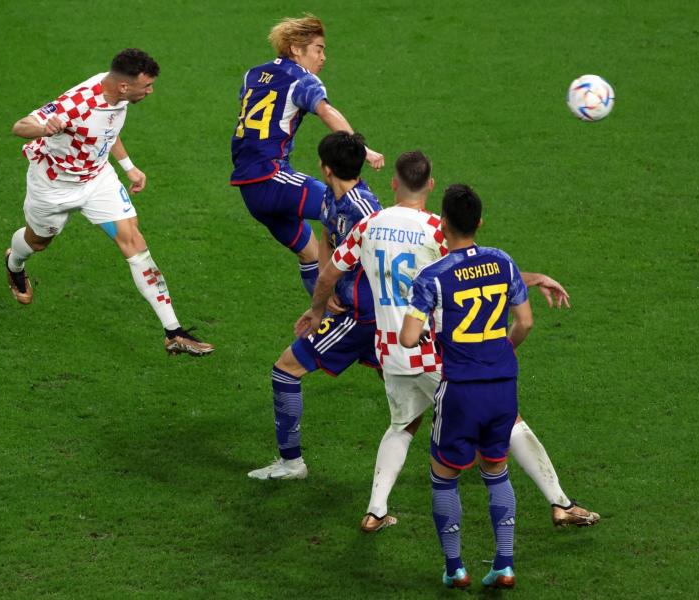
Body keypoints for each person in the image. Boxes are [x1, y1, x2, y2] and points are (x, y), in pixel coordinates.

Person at [298, 151, 597, 533]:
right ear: (431, 185)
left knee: (402, 425)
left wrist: (317, 311)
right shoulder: (436, 230)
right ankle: (561, 503)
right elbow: (475, 272)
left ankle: (375, 510)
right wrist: (532, 278)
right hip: (437, 352)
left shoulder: (368, 225)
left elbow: (327, 275)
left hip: (390, 351)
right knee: (508, 419)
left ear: (393, 183)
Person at [4, 49, 213, 357]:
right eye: (147, 86)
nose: (151, 91)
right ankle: (14, 263)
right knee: (38, 242)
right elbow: (20, 126)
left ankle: (174, 333)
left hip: (97, 180)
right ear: (125, 86)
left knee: (135, 243)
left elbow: (106, 130)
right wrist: (43, 127)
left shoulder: (119, 96)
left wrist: (128, 166)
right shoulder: (77, 104)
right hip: (53, 186)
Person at [400, 184, 531, 589]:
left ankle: (455, 567)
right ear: (479, 222)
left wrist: (425, 334)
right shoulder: (503, 262)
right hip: (503, 385)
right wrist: (500, 351)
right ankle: (505, 564)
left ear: (442, 225)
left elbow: (407, 338)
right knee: (497, 470)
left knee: (444, 475)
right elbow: (524, 322)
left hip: (461, 390)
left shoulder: (433, 276)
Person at [248, 131, 381, 481]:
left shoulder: (367, 210)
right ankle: (489, 437)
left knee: (285, 370)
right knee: (423, 382)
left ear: (325, 168)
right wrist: (328, 278)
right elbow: (325, 236)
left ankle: (292, 463)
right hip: (360, 310)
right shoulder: (331, 199)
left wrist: (319, 305)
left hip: (364, 316)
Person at [230, 14, 384, 295]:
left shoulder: (252, 74)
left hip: (249, 189)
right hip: (272, 177)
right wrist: (361, 148)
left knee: (311, 255)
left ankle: (322, 319)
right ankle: (376, 295)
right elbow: (325, 111)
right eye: (319, 49)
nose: (323, 57)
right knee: (356, 210)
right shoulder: (301, 79)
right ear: (296, 49)